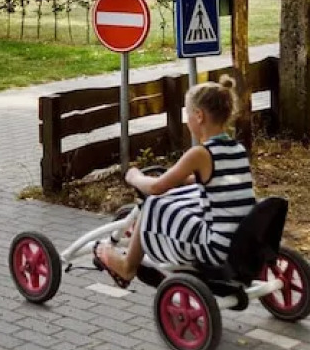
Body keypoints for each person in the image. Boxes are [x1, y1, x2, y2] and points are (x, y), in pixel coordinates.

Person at [94, 77, 256, 286]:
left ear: (199, 116)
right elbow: (218, 182)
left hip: (216, 247)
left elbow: (156, 187)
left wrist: (134, 177)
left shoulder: (200, 153)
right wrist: (183, 180)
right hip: (241, 239)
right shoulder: (237, 149)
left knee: (152, 204)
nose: (186, 120)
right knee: (185, 196)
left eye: (187, 114)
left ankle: (127, 266)